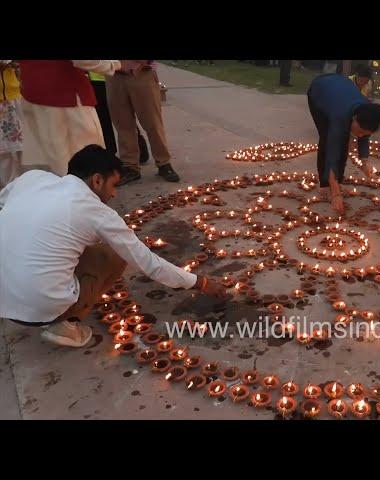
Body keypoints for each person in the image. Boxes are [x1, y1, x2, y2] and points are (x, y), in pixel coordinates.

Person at [0, 145, 225, 347]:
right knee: (113, 255)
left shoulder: (32, 179)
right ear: (97, 180)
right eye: (113, 184)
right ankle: (66, 324)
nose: (114, 193)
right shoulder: (96, 212)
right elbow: (148, 263)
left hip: (4, 304)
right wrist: (201, 283)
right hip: (43, 307)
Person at [18, 60, 121, 176]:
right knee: (83, 157)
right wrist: (115, 64)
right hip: (64, 94)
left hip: (32, 91)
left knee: (46, 160)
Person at [307, 73, 380, 215]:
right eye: (361, 131)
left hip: (340, 89)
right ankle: (325, 185)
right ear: (355, 119)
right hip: (319, 92)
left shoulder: (366, 111)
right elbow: (332, 154)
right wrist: (336, 194)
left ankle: (338, 181)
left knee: (345, 139)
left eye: (365, 133)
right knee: (327, 138)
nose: (361, 136)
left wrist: (364, 161)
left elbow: (365, 134)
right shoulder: (339, 117)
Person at [106, 60, 180, 185]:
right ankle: (130, 166)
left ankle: (163, 163)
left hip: (142, 73)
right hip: (114, 75)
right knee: (123, 124)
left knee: (152, 122)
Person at [88, 71, 150, 163]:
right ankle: (109, 152)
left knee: (122, 118)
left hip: (113, 77)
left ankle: (137, 149)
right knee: (104, 118)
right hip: (96, 78)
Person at [0, 61, 23, 189]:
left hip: (12, 95)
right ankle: (7, 194)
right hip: (4, 100)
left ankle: (16, 190)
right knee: (4, 154)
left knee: (19, 148)